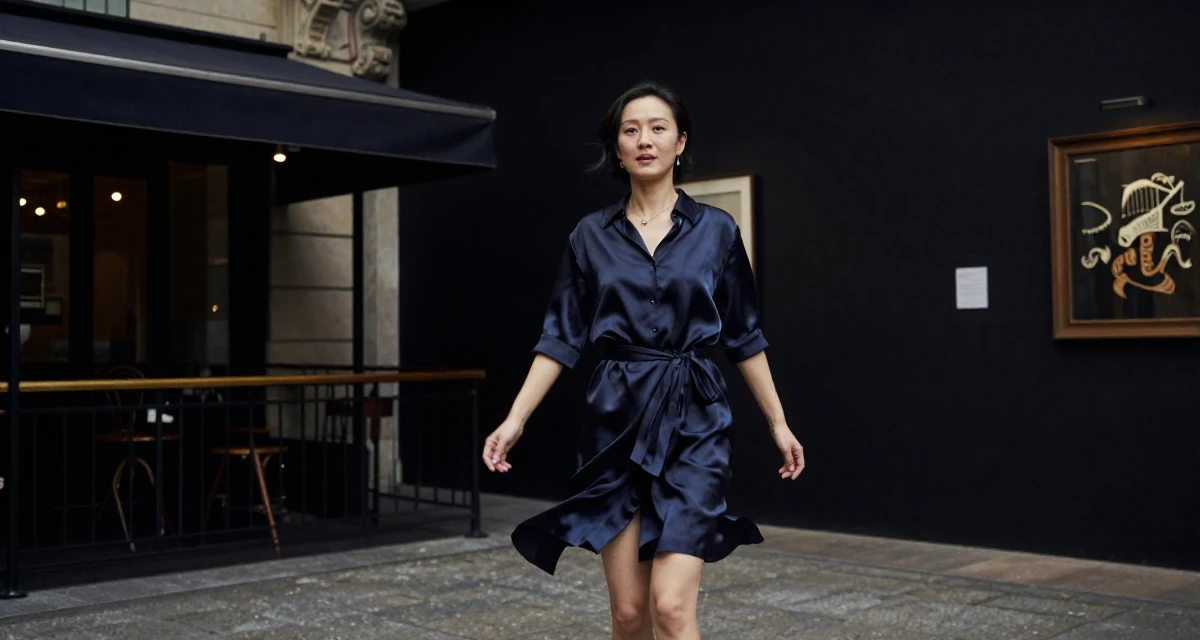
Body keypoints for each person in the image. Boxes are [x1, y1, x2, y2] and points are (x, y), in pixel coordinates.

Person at [481, 81, 804, 640]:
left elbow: (745, 335)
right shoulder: (589, 237)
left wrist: (778, 422)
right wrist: (514, 420)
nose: (645, 140)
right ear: (617, 146)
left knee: (673, 610)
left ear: (681, 142)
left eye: (658, 128)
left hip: (695, 424)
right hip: (616, 423)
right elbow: (560, 338)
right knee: (630, 614)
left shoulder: (717, 231)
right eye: (631, 130)